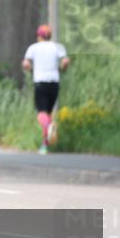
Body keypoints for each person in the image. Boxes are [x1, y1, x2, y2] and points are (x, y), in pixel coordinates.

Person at [22, 24, 69, 154]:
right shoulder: (58, 47)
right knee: (48, 114)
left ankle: (49, 128)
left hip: (40, 82)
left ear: (39, 36)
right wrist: (61, 69)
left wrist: (31, 70)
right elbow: (65, 61)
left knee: (41, 113)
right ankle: (44, 145)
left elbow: (25, 63)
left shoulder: (33, 48)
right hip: (54, 82)